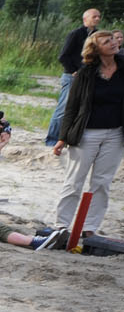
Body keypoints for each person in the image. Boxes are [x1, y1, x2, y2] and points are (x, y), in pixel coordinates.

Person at [51, 30, 122, 238]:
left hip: (116, 134)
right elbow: (71, 107)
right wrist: (62, 138)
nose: (113, 43)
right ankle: (61, 226)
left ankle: (89, 228)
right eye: (107, 41)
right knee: (74, 181)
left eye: (113, 39)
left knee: (102, 182)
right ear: (96, 49)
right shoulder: (85, 73)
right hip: (86, 134)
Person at [47, 9, 100, 148]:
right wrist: (73, 70)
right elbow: (63, 56)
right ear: (85, 19)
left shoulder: (97, 35)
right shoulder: (76, 34)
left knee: (81, 108)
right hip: (72, 76)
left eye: (99, 16)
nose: (97, 19)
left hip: (88, 77)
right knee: (64, 108)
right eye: (94, 16)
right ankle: (52, 140)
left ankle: (68, 138)